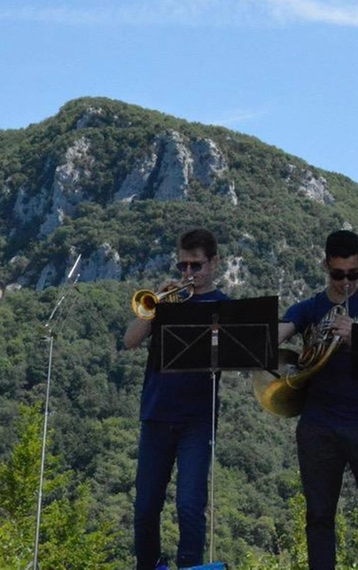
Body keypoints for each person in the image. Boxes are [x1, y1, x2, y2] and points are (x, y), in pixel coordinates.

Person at [278, 230, 358, 570]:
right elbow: (277, 335)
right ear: (325, 266)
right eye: (338, 274)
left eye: (353, 274)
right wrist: (298, 342)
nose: (346, 282)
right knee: (319, 517)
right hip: (318, 425)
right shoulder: (310, 307)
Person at [122, 229, 231, 570]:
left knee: (189, 505)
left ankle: (190, 567)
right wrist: (154, 307)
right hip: (156, 414)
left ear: (214, 263)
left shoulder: (225, 308)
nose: (188, 274)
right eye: (183, 265)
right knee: (145, 508)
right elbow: (129, 341)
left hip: (197, 420)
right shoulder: (166, 304)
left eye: (196, 266)